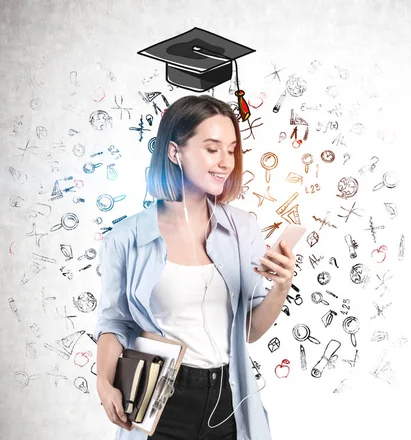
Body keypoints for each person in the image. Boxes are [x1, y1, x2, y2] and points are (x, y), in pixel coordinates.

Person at [95, 95, 295, 440]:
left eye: (231, 149)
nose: (225, 162)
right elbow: (115, 321)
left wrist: (280, 287)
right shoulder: (126, 238)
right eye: (212, 148)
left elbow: (250, 331)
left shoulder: (242, 228)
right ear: (175, 152)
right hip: (159, 399)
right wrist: (103, 383)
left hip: (228, 396)